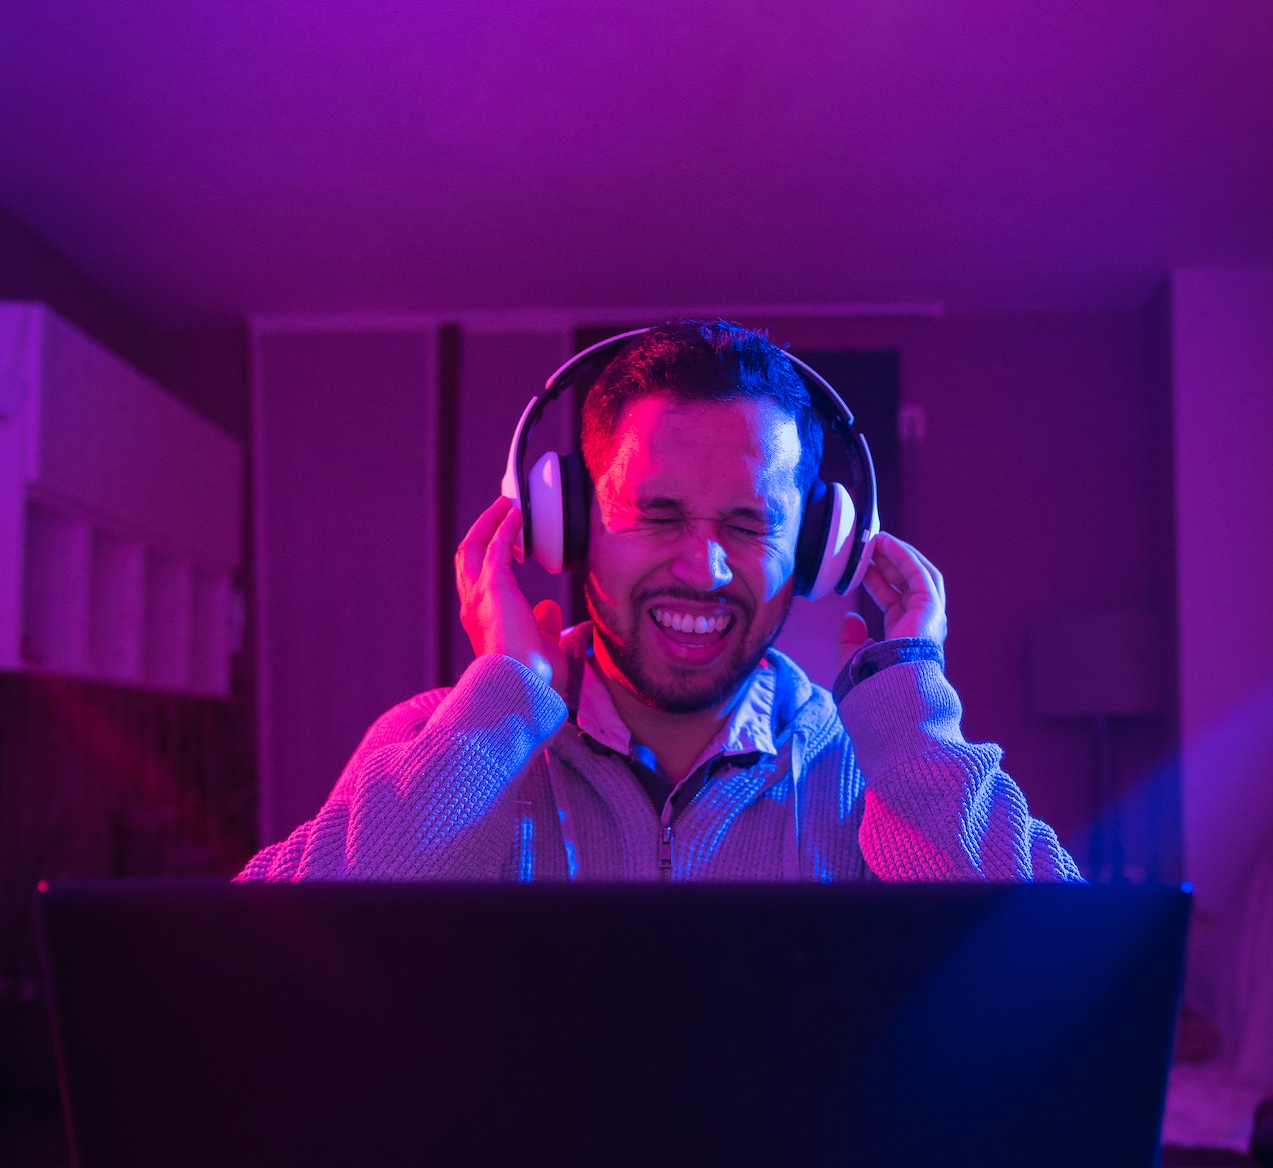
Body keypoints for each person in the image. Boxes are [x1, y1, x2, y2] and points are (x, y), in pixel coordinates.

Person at [239, 321, 1081, 884]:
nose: (703, 569)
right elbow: (248, 978)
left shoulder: (881, 769)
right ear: (565, 525)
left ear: (816, 550)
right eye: (657, 514)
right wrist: (497, 715)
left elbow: (1073, 995)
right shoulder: (443, 743)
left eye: (750, 523)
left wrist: (912, 728)